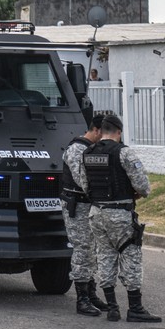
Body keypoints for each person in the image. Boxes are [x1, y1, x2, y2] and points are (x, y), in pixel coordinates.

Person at [80, 115, 162, 323]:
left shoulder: (87, 153)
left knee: (105, 256)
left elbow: (84, 184)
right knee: (131, 256)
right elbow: (143, 186)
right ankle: (135, 308)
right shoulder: (123, 153)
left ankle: (113, 308)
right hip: (119, 213)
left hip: (96, 213)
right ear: (118, 131)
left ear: (102, 130)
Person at [61, 114, 108, 316]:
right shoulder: (76, 150)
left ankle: (91, 293)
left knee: (93, 249)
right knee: (82, 249)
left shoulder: (93, 149)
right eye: (104, 133)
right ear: (96, 130)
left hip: (90, 206)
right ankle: (82, 299)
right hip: (78, 206)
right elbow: (83, 180)